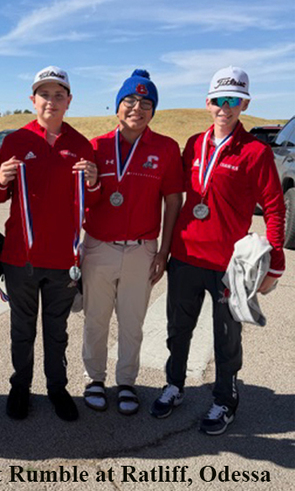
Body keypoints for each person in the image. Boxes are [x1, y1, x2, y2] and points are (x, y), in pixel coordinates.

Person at [151, 66, 285, 435]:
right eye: (219, 100)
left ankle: (225, 399)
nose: (225, 107)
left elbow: (274, 206)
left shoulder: (255, 152)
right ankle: (174, 385)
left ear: (244, 104)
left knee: (226, 336)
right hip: (185, 257)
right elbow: (171, 193)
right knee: (178, 329)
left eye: (234, 100)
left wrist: (275, 261)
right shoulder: (194, 143)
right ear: (208, 103)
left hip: (229, 266)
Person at [0, 66, 99, 422]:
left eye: (58, 95)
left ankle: (57, 388)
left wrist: (95, 182)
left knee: (57, 332)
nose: (50, 101)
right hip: (20, 257)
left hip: (62, 260)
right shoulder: (16, 141)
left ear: (69, 101)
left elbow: (92, 204)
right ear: (32, 100)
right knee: (22, 330)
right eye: (44, 94)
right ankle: (19, 387)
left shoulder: (81, 145)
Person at [80, 70, 183, 415]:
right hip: (99, 246)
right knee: (95, 318)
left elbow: (173, 202)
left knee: (132, 320)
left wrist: (164, 250)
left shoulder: (166, 149)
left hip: (142, 249)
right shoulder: (96, 147)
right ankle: (94, 378)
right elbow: (83, 199)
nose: (137, 107)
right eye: (130, 100)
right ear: (118, 106)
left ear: (153, 110)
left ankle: (126, 381)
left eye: (146, 102)